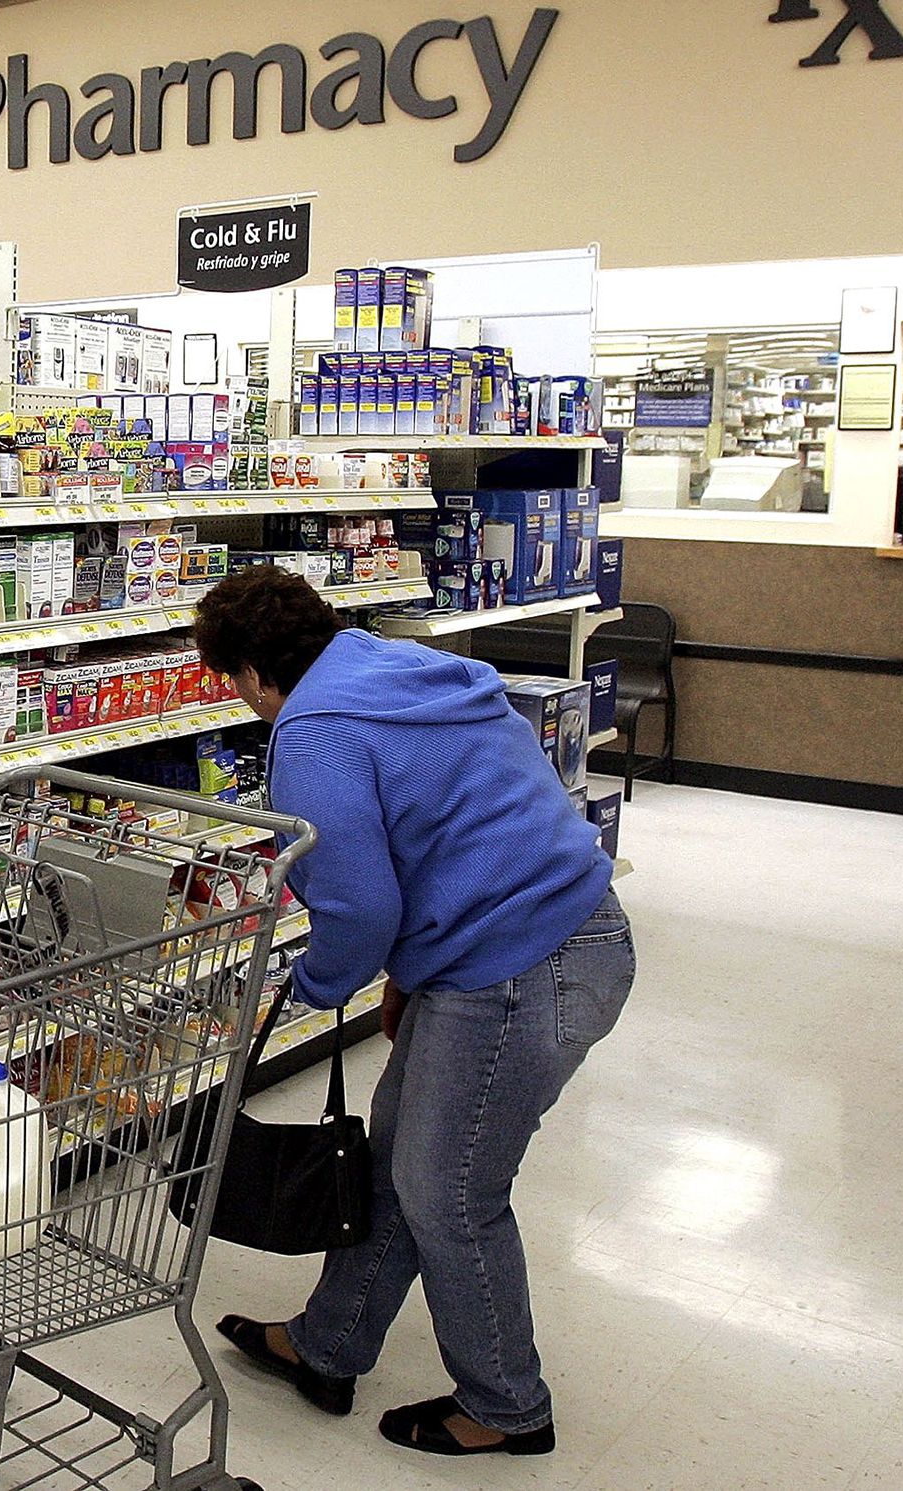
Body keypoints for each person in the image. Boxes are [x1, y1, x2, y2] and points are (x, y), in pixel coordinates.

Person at [191, 566, 634, 1459]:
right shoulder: (388, 665)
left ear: (246, 673)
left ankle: (508, 1404)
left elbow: (357, 908)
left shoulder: (312, 730)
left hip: (518, 966)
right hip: (546, 935)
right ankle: (327, 1346)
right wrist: (414, 973)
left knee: (449, 1190)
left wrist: (312, 987)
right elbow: (453, 820)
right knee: (395, 1156)